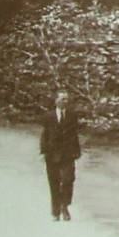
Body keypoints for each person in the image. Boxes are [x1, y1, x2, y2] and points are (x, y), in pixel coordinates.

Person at [39, 88, 81, 221]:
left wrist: (77, 151)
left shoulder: (72, 116)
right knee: (54, 182)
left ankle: (65, 205)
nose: (65, 101)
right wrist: (44, 151)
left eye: (67, 99)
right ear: (56, 100)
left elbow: (75, 135)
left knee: (68, 180)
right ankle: (56, 212)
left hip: (68, 154)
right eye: (63, 99)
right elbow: (44, 135)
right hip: (52, 154)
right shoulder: (48, 116)